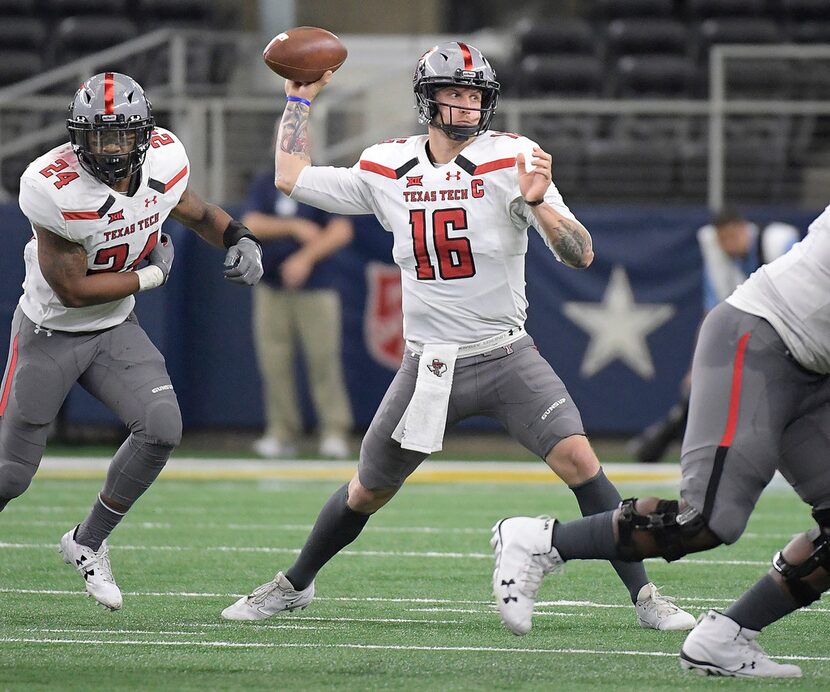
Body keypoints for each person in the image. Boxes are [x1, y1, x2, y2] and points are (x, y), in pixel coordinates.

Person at [221, 42, 694, 633]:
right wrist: (298, 99)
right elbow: (290, 177)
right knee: (366, 490)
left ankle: (647, 598)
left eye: (476, 95)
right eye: (456, 93)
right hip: (429, 367)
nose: (469, 105)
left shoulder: (513, 157)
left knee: (581, 461)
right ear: (428, 99)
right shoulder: (385, 164)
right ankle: (294, 584)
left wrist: (541, 203)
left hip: (505, 353)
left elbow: (581, 253)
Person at [492, 206, 830, 677]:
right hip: (762, 342)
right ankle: (543, 542)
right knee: (708, 519)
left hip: (815, 370)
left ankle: (726, 637)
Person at [0, 72, 263, 610]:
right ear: (79, 137)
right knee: (11, 476)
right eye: (99, 135)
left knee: (162, 429)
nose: (112, 146)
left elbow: (198, 213)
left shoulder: (164, 163)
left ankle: (87, 541)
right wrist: (155, 276)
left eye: (121, 134)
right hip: (51, 332)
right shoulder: (53, 186)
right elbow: (73, 290)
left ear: (145, 134)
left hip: (116, 328)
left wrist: (240, 236)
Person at [629, 208, 799, 463]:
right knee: (706, 382)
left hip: (792, 332)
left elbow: (797, 299)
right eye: (722, 240)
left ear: (744, 229)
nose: (726, 246)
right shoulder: (719, 259)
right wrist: (696, 366)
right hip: (752, 333)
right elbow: (713, 316)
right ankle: (668, 437)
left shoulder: (779, 243)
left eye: (731, 237)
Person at [243, 169, 354, 459]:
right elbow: (251, 223)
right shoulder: (266, 182)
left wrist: (304, 258)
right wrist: (292, 227)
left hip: (317, 288)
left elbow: (341, 230)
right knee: (274, 361)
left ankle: (334, 430)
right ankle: (281, 432)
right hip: (271, 286)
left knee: (323, 360)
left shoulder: (321, 182)